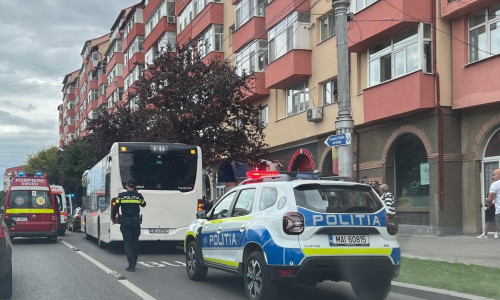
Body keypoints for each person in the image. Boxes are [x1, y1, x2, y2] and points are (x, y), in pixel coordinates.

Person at [111, 180, 146, 272]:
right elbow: (144, 204)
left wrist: (113, 218)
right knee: (135, 243)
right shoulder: (138, 196)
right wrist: (137, 193)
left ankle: (131, 266)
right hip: (135, 222)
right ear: (135, 187)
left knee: (127, 244)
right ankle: (134, 262)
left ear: (126, 186)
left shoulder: (121, 196)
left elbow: (115, 208)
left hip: (125, 222)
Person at [485, 169, 500, 239]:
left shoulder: (495, 184)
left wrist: (489, 202)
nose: (493, 177)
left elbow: (490, 199)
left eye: (494, 174)